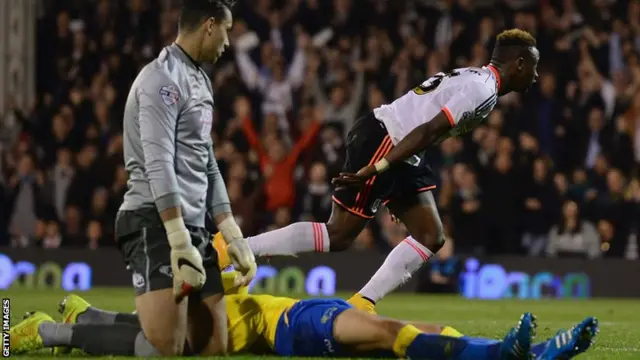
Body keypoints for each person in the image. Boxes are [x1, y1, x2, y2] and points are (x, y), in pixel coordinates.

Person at [227, 29, 540, 313]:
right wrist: (382, 167)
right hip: (387, 139)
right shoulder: (483, 89)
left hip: (402, 147)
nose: (536, 76)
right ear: (520, 63)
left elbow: (423, 122)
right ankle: (235, 249)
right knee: (339, 233)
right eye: (534, 67)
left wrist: (395, 185)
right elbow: (429, 130)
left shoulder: (476, 78)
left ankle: (362, 304)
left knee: (430, 235)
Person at [101, 0, 256, 356]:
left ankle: (104, 318)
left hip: (193, 225)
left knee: (213, 348)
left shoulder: (200, 80)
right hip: (153, 220)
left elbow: (208, 162)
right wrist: (177, 238)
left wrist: (231, 232)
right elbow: (158, 163)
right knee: (165, 347)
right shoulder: (161, 79)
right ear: (209, 25)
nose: (228, 43)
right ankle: (60, 332)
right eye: (228, 32)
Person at [10, 274, 598, 360]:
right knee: (405, 334)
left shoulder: (305, 329)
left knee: (148, 338)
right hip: (295, 324)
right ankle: (59, 326)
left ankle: (53, 327)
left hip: (294, 320)